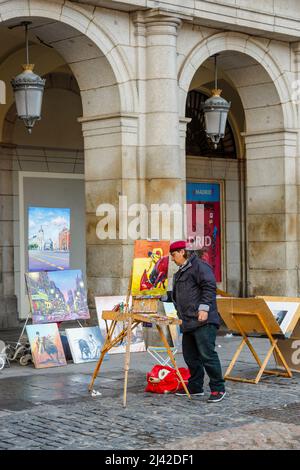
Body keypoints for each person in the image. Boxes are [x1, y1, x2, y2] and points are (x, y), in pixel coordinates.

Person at [168, 240, 226, 403]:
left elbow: (209, 287)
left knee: (207, 354)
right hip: (187, 321)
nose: (172, 259)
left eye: (173, 255)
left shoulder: (200, 266)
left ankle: (218, 388)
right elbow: (180, 293)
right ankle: (195, 386)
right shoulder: (180, 272)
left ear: (182, 252)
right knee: (190, 356)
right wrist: (164, 296)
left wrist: (204, 308)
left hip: (203, 320)